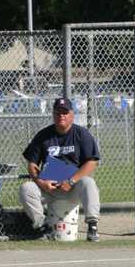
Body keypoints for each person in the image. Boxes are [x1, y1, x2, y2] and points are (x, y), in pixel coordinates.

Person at [19, 97, 101, 242]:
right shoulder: (43, 135)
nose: (61, 116)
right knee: (27, 188)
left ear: (72, 115)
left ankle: (92, 226)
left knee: (88, 183)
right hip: (49, 188)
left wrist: (71, 181)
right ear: (53, 115)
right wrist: (41, 183)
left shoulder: (81, 134)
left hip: (73, 187)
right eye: (58, 112)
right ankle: (42, 228)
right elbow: (32, 164)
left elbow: (92, 162)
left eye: (65, 112)